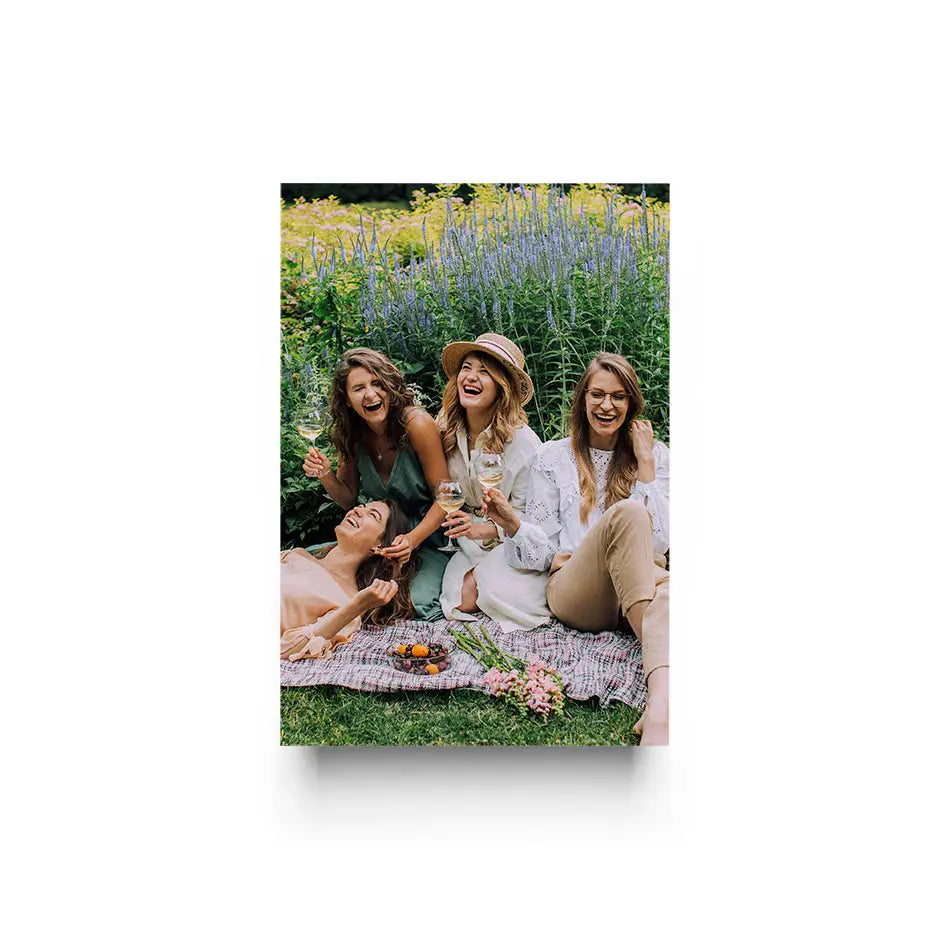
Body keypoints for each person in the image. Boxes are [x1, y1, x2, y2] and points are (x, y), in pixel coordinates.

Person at [482, 352, 670, 745]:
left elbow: (664, 542)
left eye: (618, 397)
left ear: (631, 403)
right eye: (597, 394)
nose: (607, 405)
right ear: (582, 399)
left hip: (636, 584)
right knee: (631, 514)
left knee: (671, 594)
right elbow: (542, 554)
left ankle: (661, 708)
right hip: (579, 591)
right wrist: (512, 524)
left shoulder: (657, 455)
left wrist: (647, 462)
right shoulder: (553, 457)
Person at [302, 348, 449, 620]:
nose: (371, 394)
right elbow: (348, 498)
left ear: (390, 387)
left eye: (378, 384)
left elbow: (446, 498)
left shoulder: (416, 424)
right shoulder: (351, 434)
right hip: (375, 538)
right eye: (358, 388)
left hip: (425, 537)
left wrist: (412, 540)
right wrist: (326, 475)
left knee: (416, 602)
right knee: (311, 567)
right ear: (347, 400)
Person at [435, 333, 550, 630]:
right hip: (466, 540)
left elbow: (532, 521)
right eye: (467, 368)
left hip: (509, 540)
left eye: (485, 372)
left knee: (492, 595)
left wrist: (483, 529)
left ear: (502, 388)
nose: (471, 377)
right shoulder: (447, 425)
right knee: (457, 599)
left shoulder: (523, 443)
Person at [281, 499, 416, 661]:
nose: (357, 510)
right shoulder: (296, 554)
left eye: (373, 515)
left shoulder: (349, 602)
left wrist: (356, 607)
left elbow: (289, 650)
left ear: (380, 546)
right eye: (361, 506)